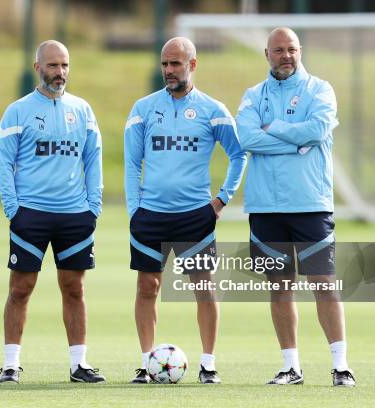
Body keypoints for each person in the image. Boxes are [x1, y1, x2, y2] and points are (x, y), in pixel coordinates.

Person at [236, 27, 355, 387]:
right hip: (265, 207)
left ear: (300, 51)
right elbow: (246, 136)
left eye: (291, 49)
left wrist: (273, 129)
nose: (286, 55)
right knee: (279, 286)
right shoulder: (254, 95)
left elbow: (318, 130)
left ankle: (340, 366)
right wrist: (294, 139)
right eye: (278, 50)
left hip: (310, 204)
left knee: (324, 283)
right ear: (267, 55)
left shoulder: (320, 89)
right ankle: (291, 367)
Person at [124, 37, 247, 384]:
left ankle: (208, 364)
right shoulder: (143, 109)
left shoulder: (213, 110)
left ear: (192, 65)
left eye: (175, 64)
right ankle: (147, 363)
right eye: (164, 63)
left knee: (203, 287)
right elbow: (133, 163)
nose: (168, 70)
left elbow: (239, 155)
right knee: (147, 286)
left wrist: (221, 200)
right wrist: (135, 209)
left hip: (196, 216)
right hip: (150, 215)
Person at [0, 40, 105, 384]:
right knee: (21, 287)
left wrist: (93, 206)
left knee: (74, 288)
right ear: (37, 68)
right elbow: (4, 162)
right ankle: (11, 364)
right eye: (53, 65)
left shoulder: (82, 110)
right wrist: (14, 209)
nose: (60, 73)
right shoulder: (18, 111)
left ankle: (79, 365)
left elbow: (93, 158)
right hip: (31, 215)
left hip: (75, 216)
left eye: (65, 65)